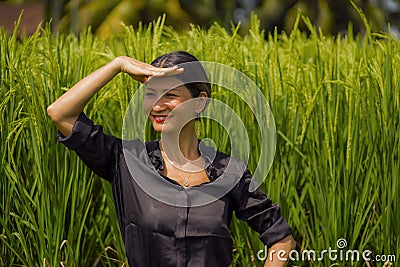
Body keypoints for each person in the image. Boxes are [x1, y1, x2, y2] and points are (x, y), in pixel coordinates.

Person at [47, 51, 295, 267]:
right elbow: (60, 113)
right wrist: (118, 64)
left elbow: (281, 239)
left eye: (170, 95)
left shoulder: (230, 173)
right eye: (151, 94)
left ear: (199, 103)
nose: (157, 105)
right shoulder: (127, 161)